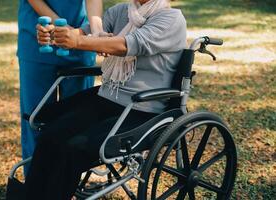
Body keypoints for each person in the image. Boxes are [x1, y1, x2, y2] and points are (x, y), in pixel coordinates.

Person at [25, 0, 187, 199]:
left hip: (141, 108)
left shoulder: (171, 18)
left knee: (73, 148)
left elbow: (125, 44)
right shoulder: (120, 11)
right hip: (107, 98)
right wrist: (54, 35)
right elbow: (85, 34)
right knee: (50, 134)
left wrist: (77, 42)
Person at [17, 0, 103, 175]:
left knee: (77, 120)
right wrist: (60, 26)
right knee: (35, 118)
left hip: (78, 41)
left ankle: (68, 183)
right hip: (39, 40)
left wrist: (96, 31)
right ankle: (35, 182)